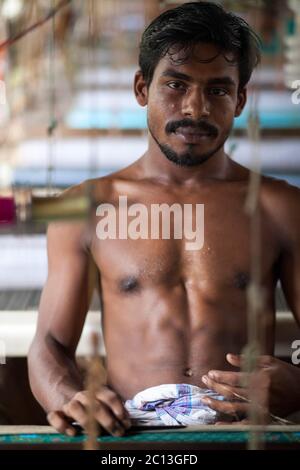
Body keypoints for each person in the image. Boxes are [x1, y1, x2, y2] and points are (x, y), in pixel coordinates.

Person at [28, 1, 300, 437]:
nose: (195, 108)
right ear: (142, 89)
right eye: (176, 84)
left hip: (238, 435)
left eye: (218, 90)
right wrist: (68, 397)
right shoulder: (81, 205)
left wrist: (297, 384)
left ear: (241, 99)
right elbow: (49, 344)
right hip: (130, 435)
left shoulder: (283, 207)